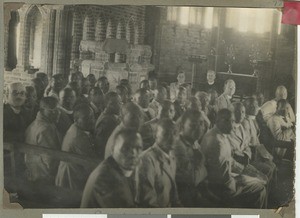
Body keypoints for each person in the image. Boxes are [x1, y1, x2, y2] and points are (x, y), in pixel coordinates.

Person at [201, 109, 267, 208]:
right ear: (217, 121)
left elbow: (229, 162)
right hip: (220, 189)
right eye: (226, 121)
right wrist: (241, 179)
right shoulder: (217, 143)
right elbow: (223, 182)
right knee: (260, 187)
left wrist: (245, 170)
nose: (231, 125)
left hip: (225, 179)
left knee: (258, 178)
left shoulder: (219, 135)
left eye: (232, 121)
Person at [81, 129, 143, 208]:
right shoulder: (105, 178)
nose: (133, 154)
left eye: (138, 148)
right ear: (112, 149)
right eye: (126, 148)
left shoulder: (119, 167)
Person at [136, 119, 180, 207]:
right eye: (166, 134)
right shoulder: (146, 160)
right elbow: (149, 202)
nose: (172, 138)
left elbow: (174, 196)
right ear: (155, 136)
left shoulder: (172, 156)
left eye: (175, 133)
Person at [55, 104, 97, 190]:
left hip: (72, 174)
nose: (92, 121)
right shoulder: (79, 137)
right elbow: (90, 165)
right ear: (76, 120)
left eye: (92, 117)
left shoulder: (76, 128)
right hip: (71, 179)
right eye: (86, 118)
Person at [227, 102, 268, 185]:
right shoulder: (227, 130)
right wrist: (241, 158)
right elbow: (229, 155)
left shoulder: (240, 126)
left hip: (245, 161)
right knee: (261, 182)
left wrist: (246, 156)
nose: (241, 115)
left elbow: (246, 145)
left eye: (243, 112)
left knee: (265, 178)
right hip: (235, 167)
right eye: (237, 112)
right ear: (230, 113)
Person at [173, 110, 208, 207]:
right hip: (183, 199)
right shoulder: (178, 146)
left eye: (201, 124)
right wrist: (201, 162)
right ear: (182, 126)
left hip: (196, 192)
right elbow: (193, 179)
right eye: (193, 125)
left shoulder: (193, 141)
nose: (198, 129)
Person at [24, 97, 62, 184]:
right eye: (52, 110)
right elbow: (50, 161)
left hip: (33, 172)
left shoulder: (34, 124)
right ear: (42, 110)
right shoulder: (46, 129)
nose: (57, 113)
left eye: (58, 110)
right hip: (43, 178)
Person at [95, 92, 122, 158]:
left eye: (120, 102)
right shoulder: (108, 121)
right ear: (106, 105)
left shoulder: (111, 117)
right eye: (115, 103)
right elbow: (102, 147)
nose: (120, 105)